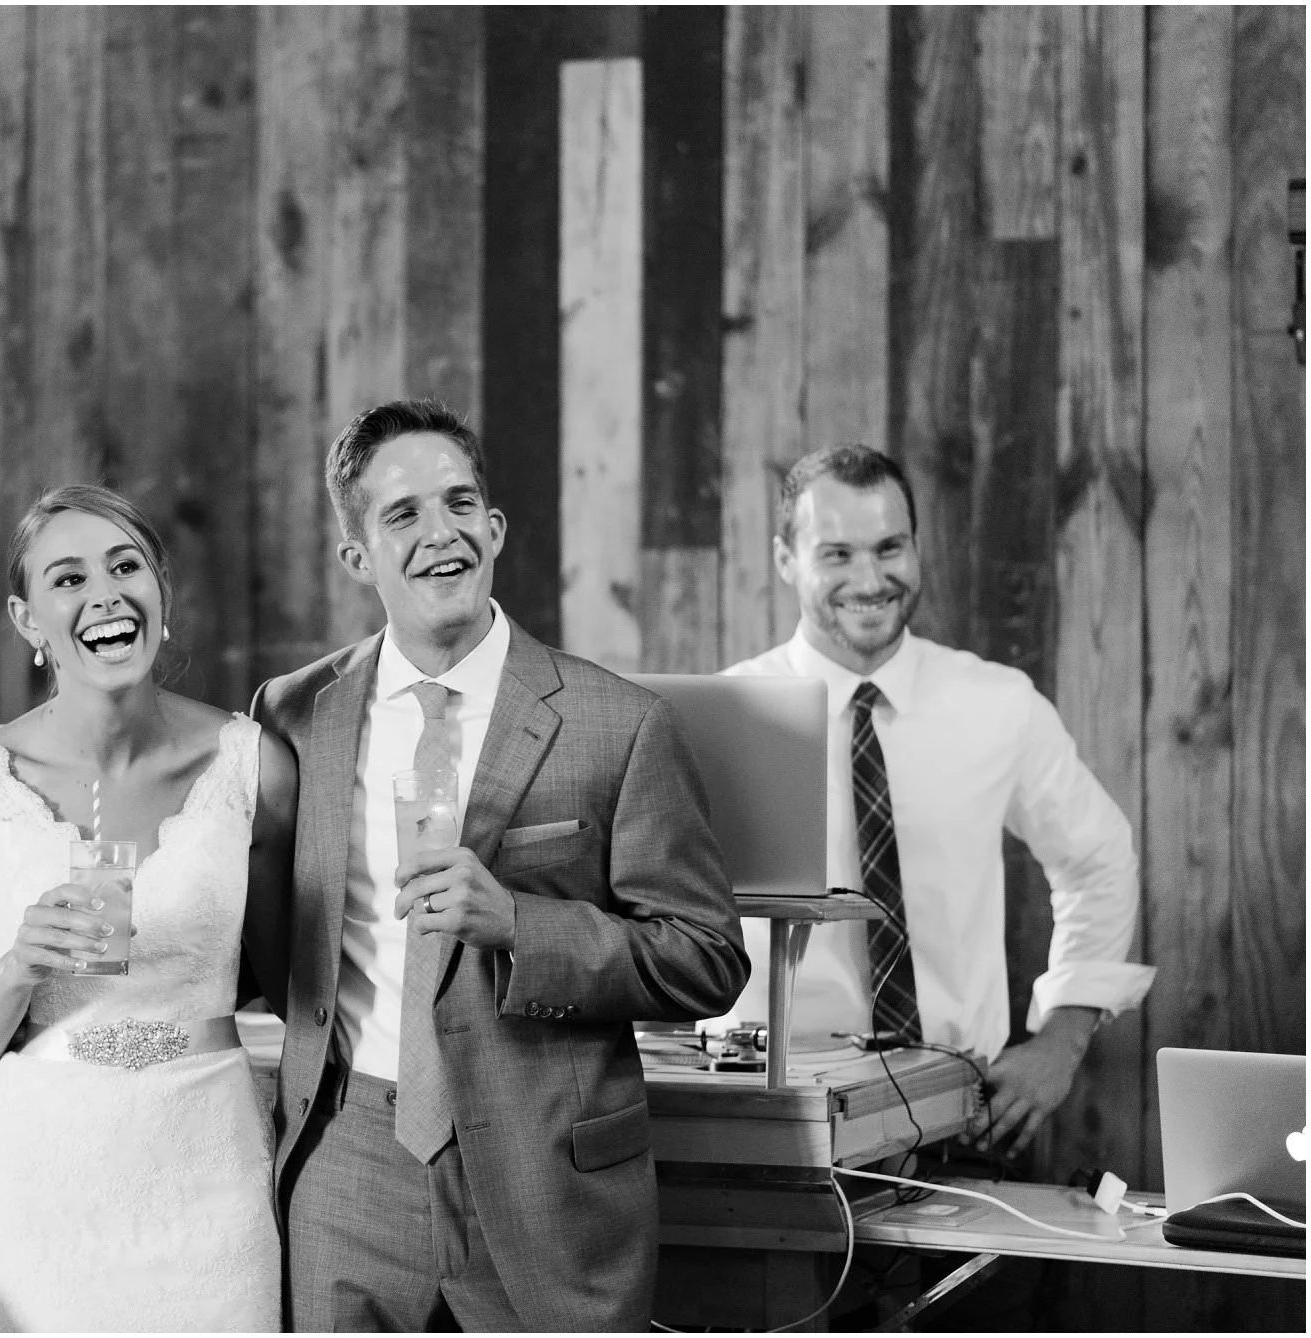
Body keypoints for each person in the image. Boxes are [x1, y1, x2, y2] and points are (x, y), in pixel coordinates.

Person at [252, 399, 749, 1330]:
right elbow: (270, 935)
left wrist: (521, 926)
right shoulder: (292, 713)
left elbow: (707, 958)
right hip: (344, 1164)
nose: (441, 533)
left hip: (546, 1178)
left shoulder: (622, 725)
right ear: (357, 556)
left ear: (495, 528)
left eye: (459, 503)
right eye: (403, 514)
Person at [0, 483, 297, 1331]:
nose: (105, 595)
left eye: (126, 567)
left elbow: (290, 986)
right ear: (28, 621)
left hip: (210, 1164)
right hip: (42, 1183)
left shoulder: (254, 767)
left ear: (160, 591)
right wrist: (18, 967)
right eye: (69, 579)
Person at [720, 444, 1153, 1157]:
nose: (870, 579)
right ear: (785, 559)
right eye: (837, 554)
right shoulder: (726, 716)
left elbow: (1099, 860)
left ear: (917, 549)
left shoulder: (999, 704)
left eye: (889, 548)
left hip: (961, 1116)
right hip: (769, 1123)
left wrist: (1063, 1040)